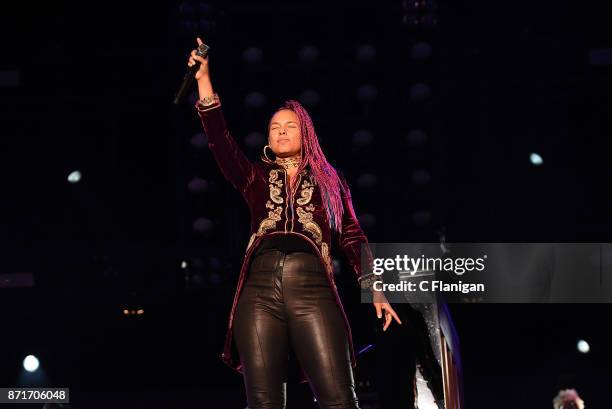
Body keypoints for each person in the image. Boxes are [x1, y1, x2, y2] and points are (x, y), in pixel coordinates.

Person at [187, 37, 401, 409]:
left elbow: (351, 235)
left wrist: (375, 287)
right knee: (264, 402)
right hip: (258, 291)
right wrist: (204, 79)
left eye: (290, 125)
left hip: (312, 287)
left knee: (339, 399)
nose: (282, 131)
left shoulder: (329, 181)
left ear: (306, 134)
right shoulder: (253, 177)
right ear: (268, 138)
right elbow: (220, 141)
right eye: (274, 127)